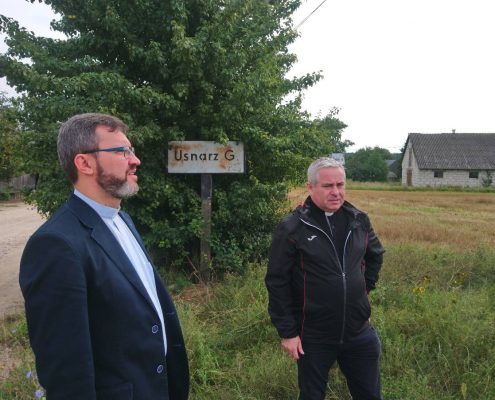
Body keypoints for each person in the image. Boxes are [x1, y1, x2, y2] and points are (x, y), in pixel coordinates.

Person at [20, 113, 189, 400]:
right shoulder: (55, 245)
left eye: (132, 150)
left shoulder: (123, 220)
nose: (135, 160)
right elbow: (67, 375)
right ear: (84, 163)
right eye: (123, 152)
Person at [265, 157, 385, 400]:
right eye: (328, 186)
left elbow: (375, 255)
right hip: (313, 336)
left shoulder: (359, 220)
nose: (336, 192)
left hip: (358, 332)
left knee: (370, 395)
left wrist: (362, 294)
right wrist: (288, 332)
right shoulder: (293, 227)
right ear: (310, 187)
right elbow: (277, 281)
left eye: (340, 185)